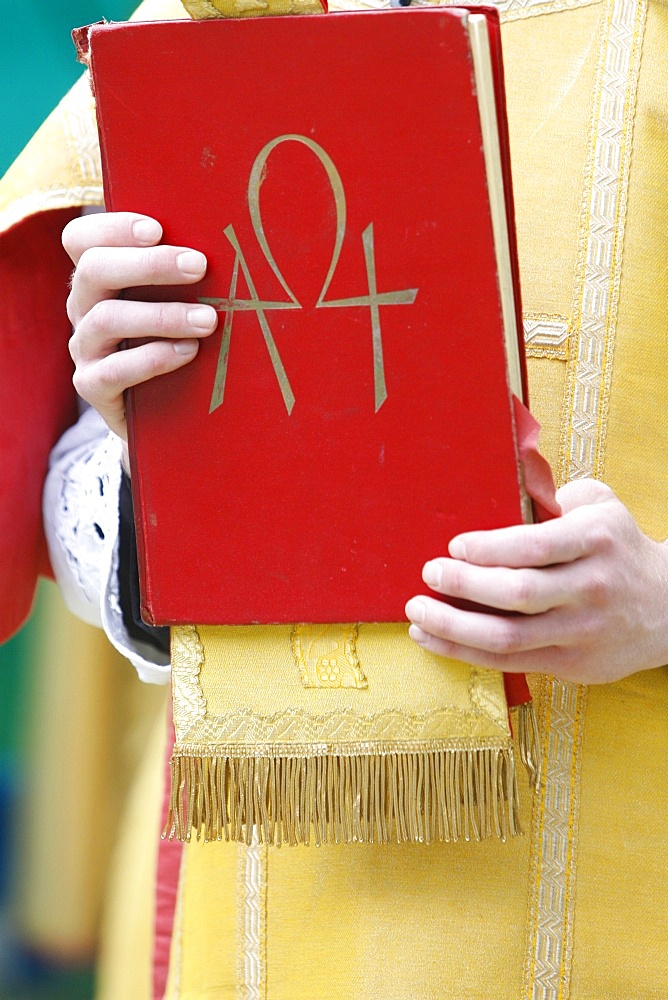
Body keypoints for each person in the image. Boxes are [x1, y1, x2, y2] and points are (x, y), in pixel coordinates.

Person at [36, 0, 668, 996]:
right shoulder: (226, 17)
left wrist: (659, 601)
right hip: (279, 885)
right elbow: (70, 503)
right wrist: (153, 428)